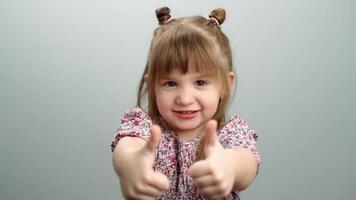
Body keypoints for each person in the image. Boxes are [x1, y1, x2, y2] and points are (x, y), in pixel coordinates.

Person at [111, 7, 260, 200]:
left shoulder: (230, 134)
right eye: (171, 83)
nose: (185, 99)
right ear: (153, 86)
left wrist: (229, 165)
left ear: (225, 85)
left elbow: (246, 163)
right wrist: (132, 164)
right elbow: (128, 147)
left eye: (200, 83)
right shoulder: (144, 128)